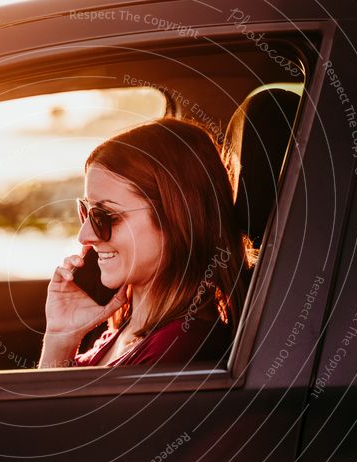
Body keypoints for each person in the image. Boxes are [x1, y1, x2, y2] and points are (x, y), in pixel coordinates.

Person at [38, 117, 255, 368]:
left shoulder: (174, 350)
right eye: (86, 212)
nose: (85, 235)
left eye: (105, 216)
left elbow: (53, 408)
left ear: (176, 219)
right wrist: (61, 337)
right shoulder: (132, 330)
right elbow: (56, 402)